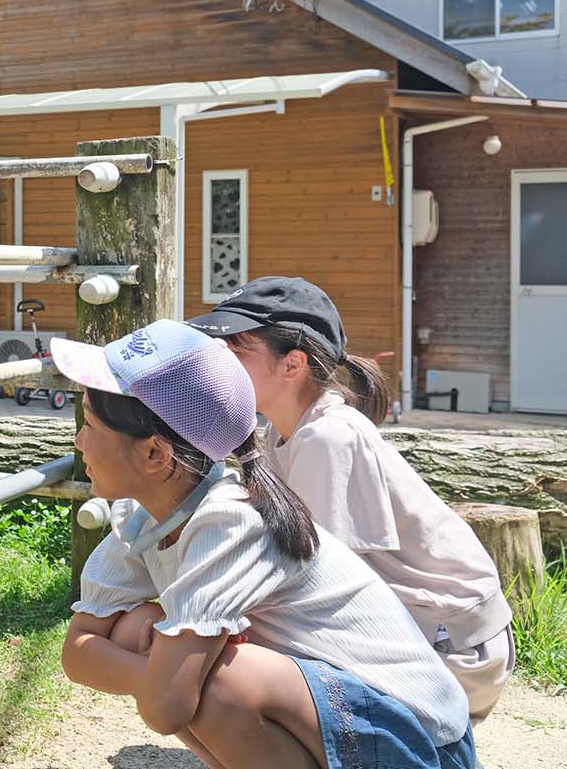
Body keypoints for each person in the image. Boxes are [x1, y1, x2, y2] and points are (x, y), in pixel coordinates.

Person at [53, 319, 475, 769]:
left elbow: (165, 708)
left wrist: (161, 674)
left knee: (218, 683)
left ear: (155, 453)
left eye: (91, 426)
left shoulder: (230, 521)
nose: (78, 442)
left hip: (420, 743)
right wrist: (157, 670)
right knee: (149, 640)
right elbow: (78, 651)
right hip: (349, 715)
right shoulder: (146, 521)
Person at [189, 277, 514, 723]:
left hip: (454, 652)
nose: (220, 364)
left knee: (230, 662)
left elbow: (319, 584)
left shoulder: (329, 436)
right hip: (425, 634)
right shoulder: (281, 431)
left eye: (237, 351)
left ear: (293, 364)